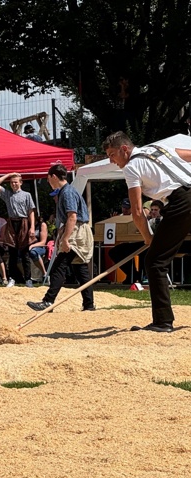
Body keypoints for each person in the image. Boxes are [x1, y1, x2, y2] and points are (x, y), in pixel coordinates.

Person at [103, 131, 191, 331]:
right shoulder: (160, 149)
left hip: (181, 202)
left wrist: (148, 238)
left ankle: (162, 322)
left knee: (155, 262)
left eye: (112, 154)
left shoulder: (132, 167)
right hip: (185, 196)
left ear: (124, 149)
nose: (111, 160)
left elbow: (136, 211)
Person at [27, 162, 95, 312]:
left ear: (53, 176)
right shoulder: (67, 191)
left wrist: (65, 239)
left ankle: (48, 301)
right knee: (80, 269)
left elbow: (72, 217)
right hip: (76, 230)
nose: (48, 182)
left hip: (75, 231)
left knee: (59, 266)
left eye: (48, 178)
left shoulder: (67, 192)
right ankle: (89, 304)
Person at [0, 172, 36, 288]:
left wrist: (31, 227)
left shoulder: (27, 195)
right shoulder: (7, 194)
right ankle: (12, 278)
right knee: (12, 253)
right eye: (12, 182)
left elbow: (31, 211)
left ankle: (28, 279)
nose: (14, 184)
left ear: (20, 183)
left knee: (25, 253)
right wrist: (8, 175)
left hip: (23, 222)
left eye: (16, 182)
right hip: (11, 223)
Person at [27, 211, 50, 279]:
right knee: (19, 254)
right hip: (27, 246)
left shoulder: (42, 225)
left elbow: (43, 242)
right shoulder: (26, 225)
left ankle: (44, 273)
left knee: (33, 252)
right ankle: (27, 276)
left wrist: (32, 246)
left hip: (40, 247)